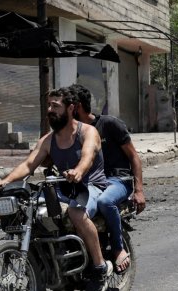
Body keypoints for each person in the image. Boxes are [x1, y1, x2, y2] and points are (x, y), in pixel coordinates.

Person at [0, 88, 112, 289]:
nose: (50, 110)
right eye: (49, 105)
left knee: (75, 213)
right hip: (63, 188)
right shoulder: (48, 140)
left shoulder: (88, 132)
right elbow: (29, 165)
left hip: (91, 185)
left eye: (56, 106)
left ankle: (99, 267)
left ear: (71, 108)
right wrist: (6, 180)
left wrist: (79, 171)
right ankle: (49, 265)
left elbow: (87, 157)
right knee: (29, 212)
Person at [68, 84, 146, 275]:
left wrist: (139, 190)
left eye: (68, 106)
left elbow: (134, 157)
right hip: (91, 182)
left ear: (76, 107)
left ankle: (118, 248)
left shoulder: (110, 124)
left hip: (118, 180)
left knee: (105, 201)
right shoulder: (73, 132)